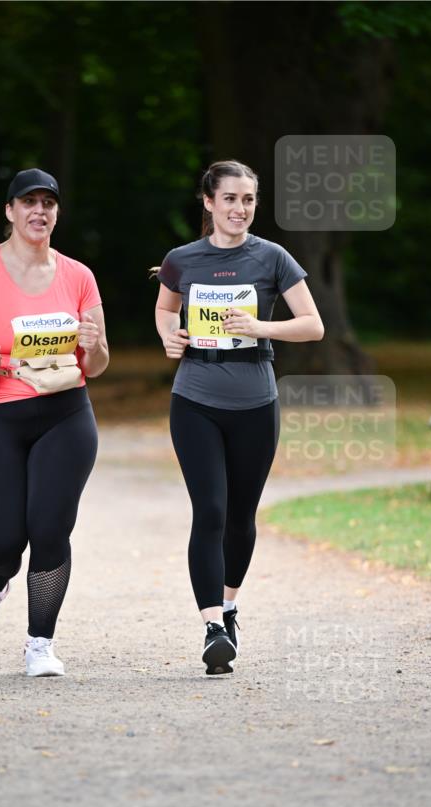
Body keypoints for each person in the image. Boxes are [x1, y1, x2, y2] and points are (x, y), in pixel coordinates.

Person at [154, 159, 323, 676]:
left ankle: (229, 607)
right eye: (229, 198)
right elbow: (165, 308)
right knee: (209, 510)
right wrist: (169, 335)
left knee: (240, 517)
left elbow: (313, 326)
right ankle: (211, 628)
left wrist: (259, 327)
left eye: (248, 199)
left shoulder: (272, 257)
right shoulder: (182, 259)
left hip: (255, 403)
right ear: (208, 202)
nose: (239, 209)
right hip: (195, 401)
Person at [0, 168, 108, 677]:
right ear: (10, 211)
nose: (40, 212)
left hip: (65, 415)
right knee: (2, 539)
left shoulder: (79, 276)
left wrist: (94, 344)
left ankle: (40, 644)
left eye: (49, 204)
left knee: (51, 530)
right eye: (28, 202)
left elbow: (97, 365)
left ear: (57, 213)